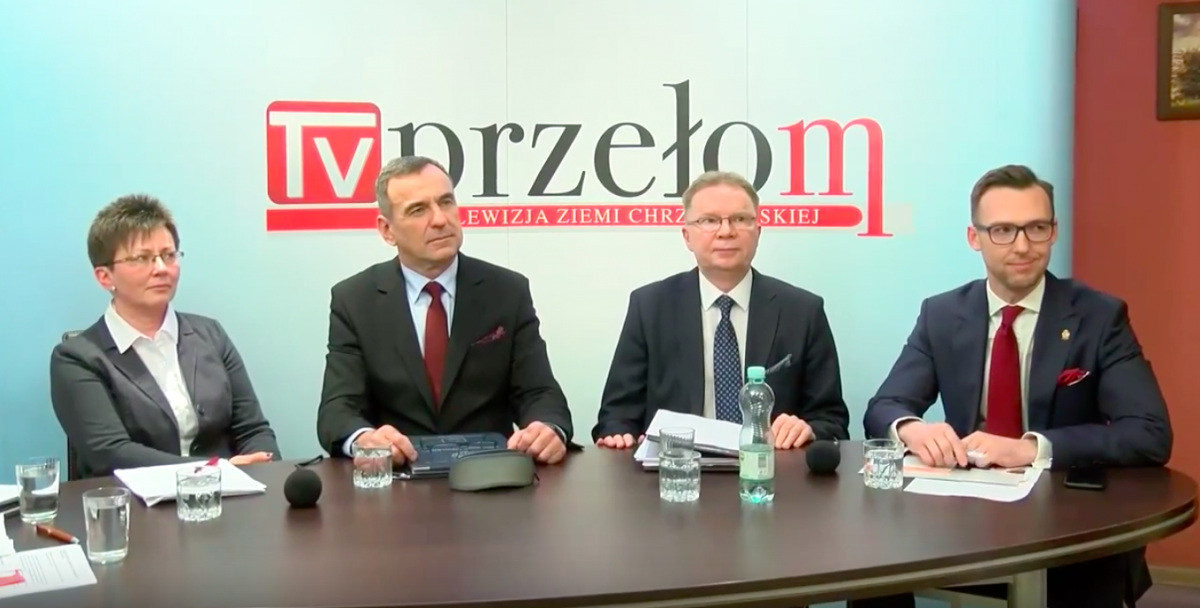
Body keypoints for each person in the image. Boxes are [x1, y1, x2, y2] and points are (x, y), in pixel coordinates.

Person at [855, 165, 1172, 608]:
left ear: (1053, 232)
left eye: (1036, 228)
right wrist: (913, 430)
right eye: (1003, 230)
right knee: (871, 568)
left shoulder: (1099, 317)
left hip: (1066, 521)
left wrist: (1030, 448)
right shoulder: (942, 314)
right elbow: (884, 406)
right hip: (963, 516)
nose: (1022, 246)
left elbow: (1149, 433)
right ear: (975, 237)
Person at [315, 155, 574, 465]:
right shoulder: (355, 300)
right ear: (387, 230)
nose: (440, 219)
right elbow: (338, 408)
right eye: (418, 209)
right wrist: (362, 439)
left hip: (489, 476)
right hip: (398, 476)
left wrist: (547, 428)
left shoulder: (506, 291)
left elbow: (540, 392)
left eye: (446, 202)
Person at [592, 170, 851, 448]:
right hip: (678, 466)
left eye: (740, 219)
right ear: (687, 236)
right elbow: (616, 416)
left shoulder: (802, 311)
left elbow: (832, 420)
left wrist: (808, 430)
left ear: (758, 231)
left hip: (770, 467)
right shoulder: (650, 307)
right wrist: (619, 435)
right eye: (709, 220)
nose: (726, 231)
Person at [50, 195, 280, 479]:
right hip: (133, 501)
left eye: (168, 255)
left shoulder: (210, 334)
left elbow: (253, 430)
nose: (161, 268)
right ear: (104, 276)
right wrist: (216, 471)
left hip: (229, 497)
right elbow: (110, 453)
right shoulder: (77, 357)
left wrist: (261, 469)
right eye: (142, 258)